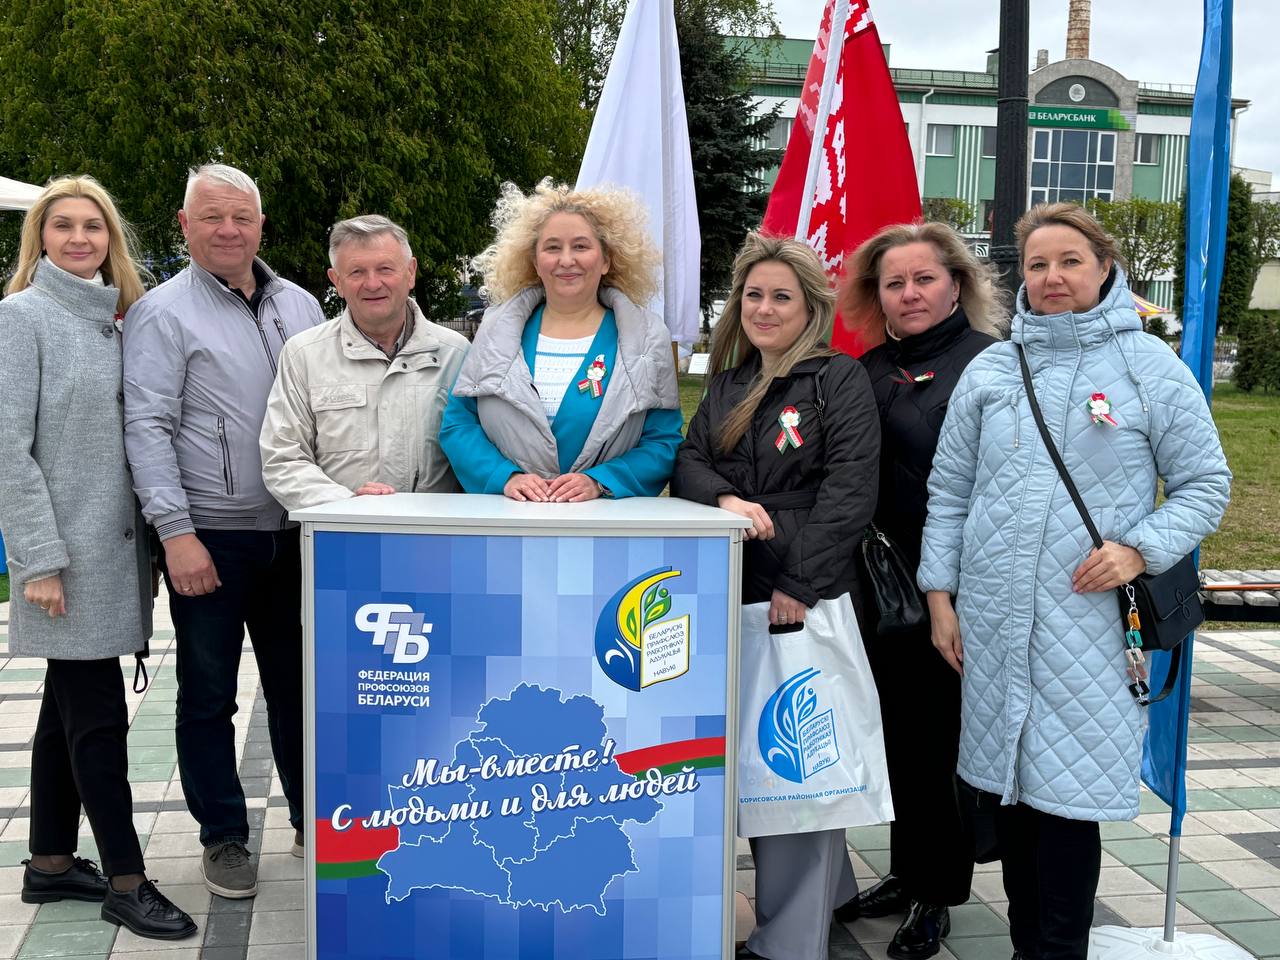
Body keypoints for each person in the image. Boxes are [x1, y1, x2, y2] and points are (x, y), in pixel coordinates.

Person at [918, 202, 1231, 960]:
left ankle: (1056, 952)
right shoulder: (994, 369)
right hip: (994, 622)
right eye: (1037, 264)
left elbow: (1205, 484)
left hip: (1088, 628)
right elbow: (950, 491)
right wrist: (940, 598)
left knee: (1066, 805)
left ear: (1105, 268)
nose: (1052, 277)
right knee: (1013, 801)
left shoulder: (1149, 367)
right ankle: (1029, 948)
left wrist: (1140, 550)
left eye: (1069, 262)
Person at [672, 232, 881, 960]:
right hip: (735, 582)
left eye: (780, 297)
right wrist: (724, 498)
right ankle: (833, 893)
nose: (764, 309)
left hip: (804, 592)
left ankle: (789, 941)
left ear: (810, 308)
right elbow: (689, 459)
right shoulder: (728, 383)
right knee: (764, 749)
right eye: (753, 295)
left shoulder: (836, 380)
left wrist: (801, 582)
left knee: (797, 758)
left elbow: (851, 488)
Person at [0, 176, 195, 939]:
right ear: (40, 239)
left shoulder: (113, 320)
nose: (80, 238)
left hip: (109, 559)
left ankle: (50, 862)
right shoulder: (22, 318)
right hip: (65, 563)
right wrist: (39, 559)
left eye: (93, 226)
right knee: (100, 721)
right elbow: (9, 451)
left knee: (64, 712)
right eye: (63, 226)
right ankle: (126, 879)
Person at [123, 163, 324, 899]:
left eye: (241, 216)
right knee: (209, 694)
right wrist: (176, 533)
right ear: (185, 226)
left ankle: (311, 819)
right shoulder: (163, 313)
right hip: (211, 535)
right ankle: (224, 837)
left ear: (262, 225)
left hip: (298, 531)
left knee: (301, 686)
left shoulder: (300, 304)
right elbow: (146, 426)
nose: (228, 230)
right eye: (211, 216)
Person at [832, 222, 1007, 959]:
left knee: (939, 743)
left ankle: (938, 892)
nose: (909, 293)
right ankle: (909, 871)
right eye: (893, 283)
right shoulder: (867, 369)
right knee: (898, 737)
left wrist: (950, 589)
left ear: (956, 285)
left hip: (952, 590)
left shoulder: (992, 365)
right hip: (874, 588)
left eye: (923, 279)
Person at [440, 181, 683, 501]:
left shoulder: (648, 338)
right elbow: (458, 424)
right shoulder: (495, 332)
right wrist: (504, 477)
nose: (566, 260)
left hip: (602, 522)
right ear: (535, 262)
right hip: (509, 518)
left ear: (606, 260)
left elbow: (663, 441)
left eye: (581, 246)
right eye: (552, 248)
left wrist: (601, 481)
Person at [261, 215, 469, 508]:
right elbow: (282, 458)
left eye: (385, 269)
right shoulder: (303, 355)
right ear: (337, 281)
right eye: (357, 272)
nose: (372, 284)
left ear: (410, 272)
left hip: (436, 532)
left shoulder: (456, 354)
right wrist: (348, 504)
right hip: (342, 531)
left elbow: (476, 451)